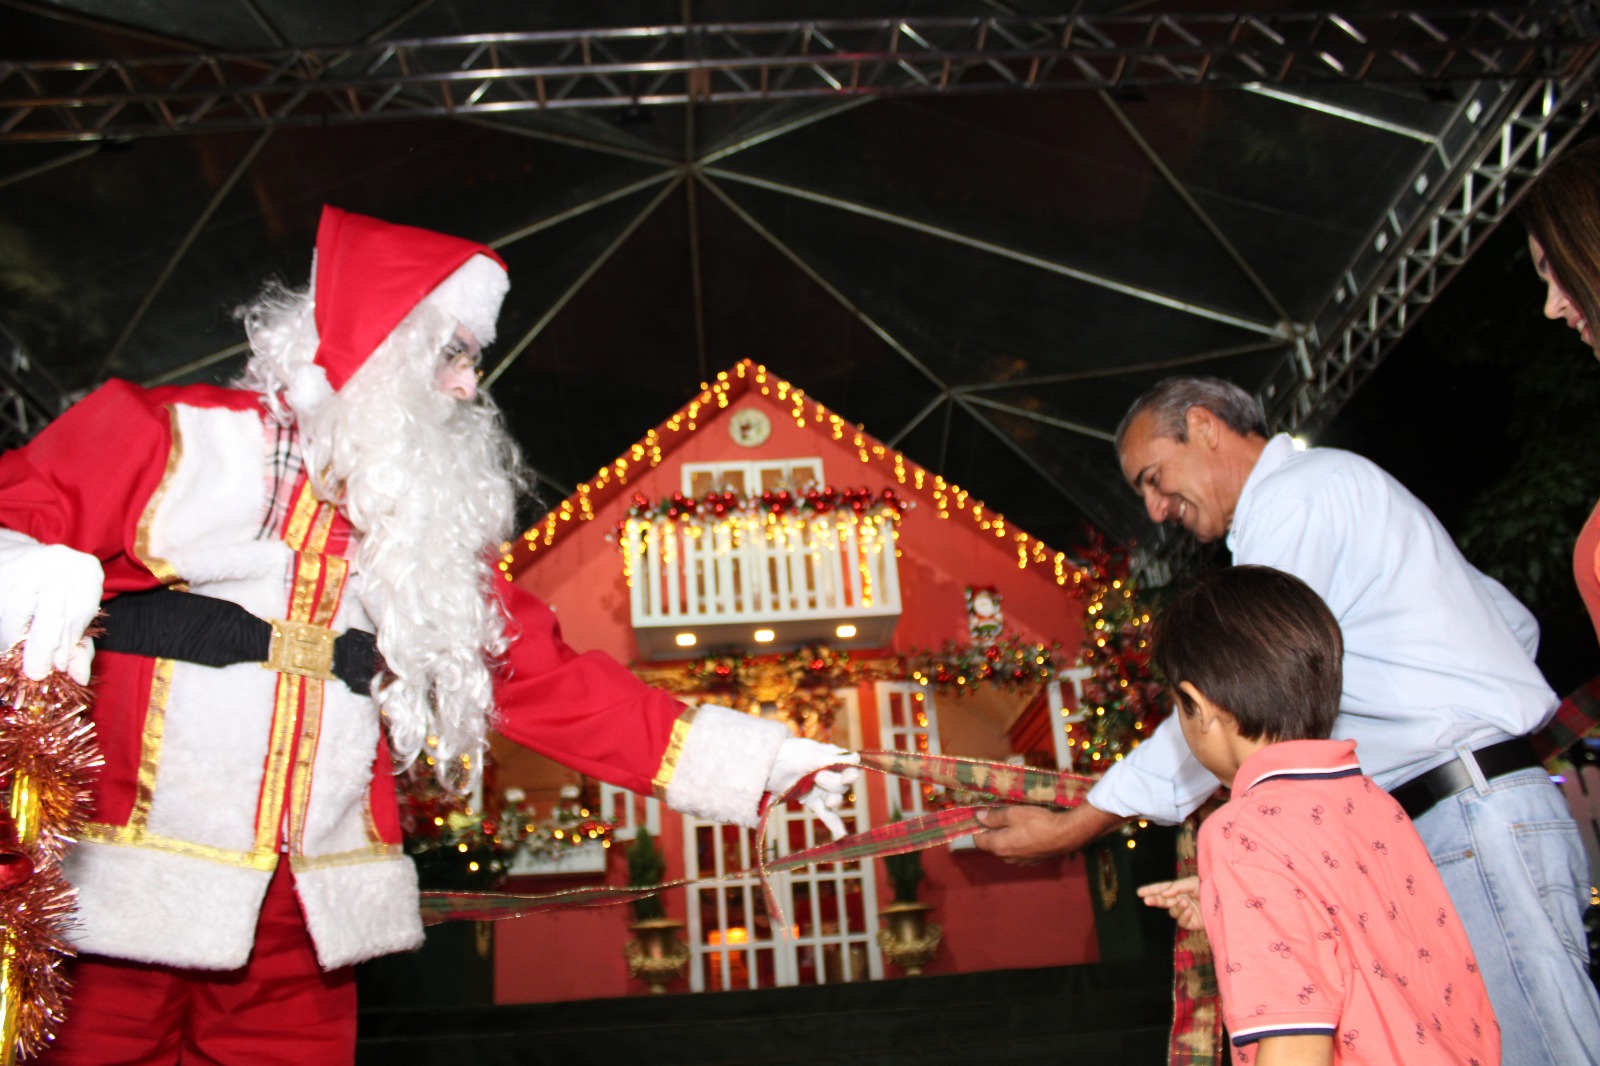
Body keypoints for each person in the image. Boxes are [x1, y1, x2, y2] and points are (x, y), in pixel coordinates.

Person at [0, 205, 856, 1064]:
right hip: (113, 893)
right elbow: (15, 522)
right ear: (377, 342)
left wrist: (762, 763)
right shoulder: (170, 439)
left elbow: (546, 681)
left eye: (469, 361)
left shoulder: (420, 533)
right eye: (452, 355)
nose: (466, 386)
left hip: (308, 926)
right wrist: (28, 573)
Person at [974, 375, 1600, 1065]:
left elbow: (1236, 692)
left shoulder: (1296, 499)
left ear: (1206, 427)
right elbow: (1512, 624)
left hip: (1467, 816)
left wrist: (1080, 822)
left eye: (1154, 478)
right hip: (1462, 814)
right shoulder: (1333, 487)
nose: (1154, 509)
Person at [1136, 565, 1499, 1065]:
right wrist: (1231, 902)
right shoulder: (1373, 800)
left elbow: (1297, 1043)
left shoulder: (1239, 834)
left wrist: (1239, 878)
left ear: (1199, 704)